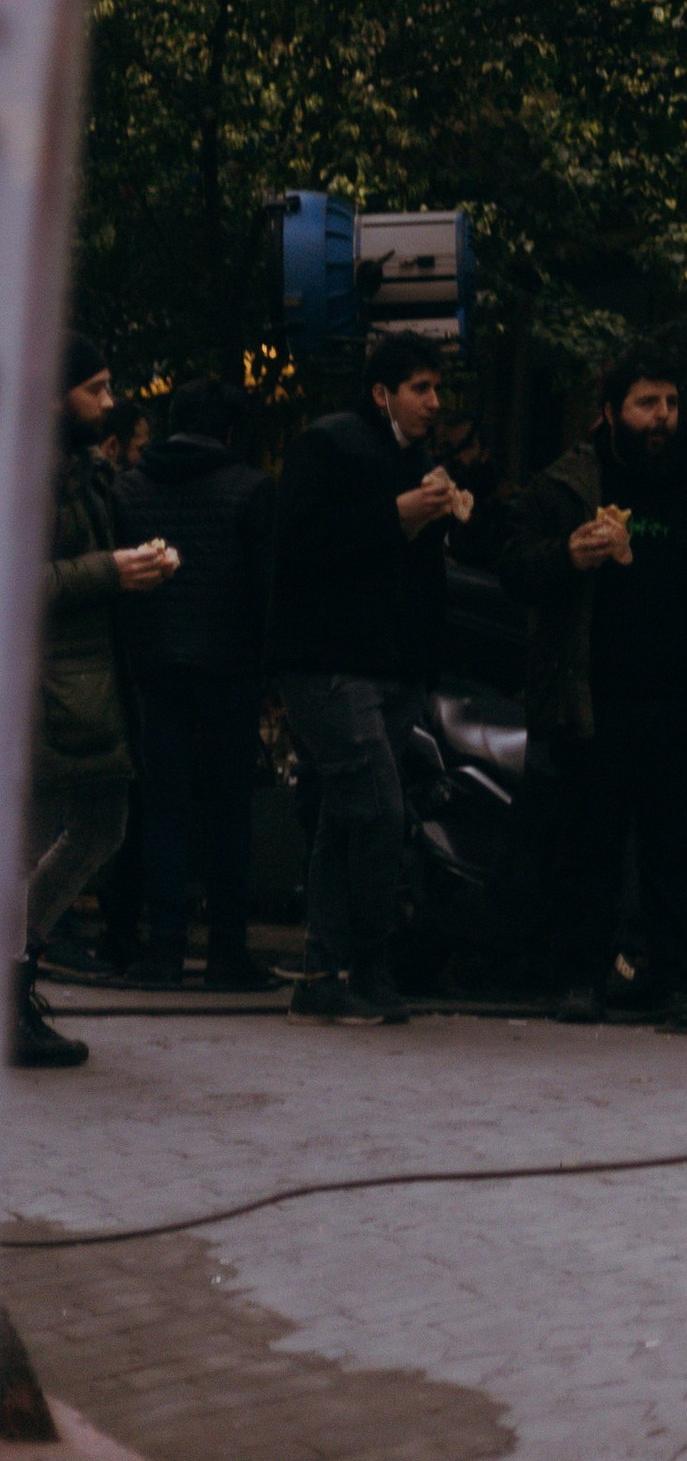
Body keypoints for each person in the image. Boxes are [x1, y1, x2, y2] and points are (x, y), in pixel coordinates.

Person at [505, 346, 687, 1027]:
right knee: (586, 847)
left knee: (679, 849)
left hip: (684, 700)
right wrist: (567, 555)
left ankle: (680, 982)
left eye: (671, 403)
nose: (662, 418)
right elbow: (514, 565)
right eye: (646, 404)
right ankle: (578, 980)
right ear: (610, 413)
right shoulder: (567, 485)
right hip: (592, 699)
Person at [270, 330, 469, 1026]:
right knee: (381, 810)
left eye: (437, 388)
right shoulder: (327, 444)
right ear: (383, 391)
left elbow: (417, 575)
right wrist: (395, 516)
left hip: (392, 666)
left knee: (345, 817)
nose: (433, 402)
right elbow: (295, 545)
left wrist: (445, 519)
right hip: (329, 664)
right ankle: (369, 967)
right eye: (421, 388)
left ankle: (323, 973)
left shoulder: (418, 458)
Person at [17, 340, 176, 1068]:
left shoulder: (83, 472)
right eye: (97, 388)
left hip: (89, 683)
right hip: (42, 685)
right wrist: (108, 571)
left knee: (102, 826)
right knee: (35, 842)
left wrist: (139, 564)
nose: (111, 402)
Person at [112, 381, 277, 990]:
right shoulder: (252, 489)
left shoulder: (128, 487)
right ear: (231, 433)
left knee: (162, 808)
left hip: (151, 665)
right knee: (230, 810)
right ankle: (227, 951)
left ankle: (163, 949)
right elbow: (265, 591)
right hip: (229, 668)